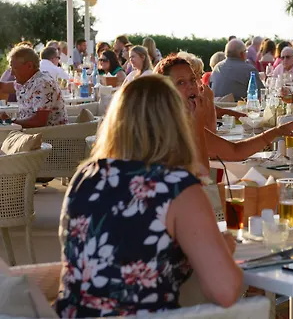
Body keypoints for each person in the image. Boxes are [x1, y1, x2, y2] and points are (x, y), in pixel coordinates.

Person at [55, 75, 243, 317]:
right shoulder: (176, 187)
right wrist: (222, 249)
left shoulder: (86, 176)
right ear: (177, 123)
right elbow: (226, 291)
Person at [155, 56, 293, 176]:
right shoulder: (162, 128)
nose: (191, 86)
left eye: (192, 80)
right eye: (181, 82)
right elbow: (201, 176)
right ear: (165, 91)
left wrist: (277, 131)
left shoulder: (186, 122)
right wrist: (198, 122)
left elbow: (236, 152)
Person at [0, 46, 68, 127]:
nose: (11, 73)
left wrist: (10, 121)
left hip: (47, 134)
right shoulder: (26, 82)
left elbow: (39, 122)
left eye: (14, 68)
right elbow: (3, 87)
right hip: (31, 132)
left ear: (29, 66)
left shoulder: (42, 84)